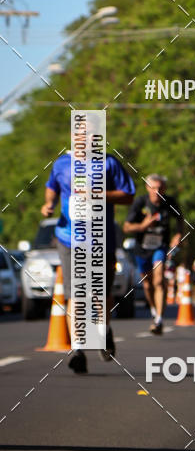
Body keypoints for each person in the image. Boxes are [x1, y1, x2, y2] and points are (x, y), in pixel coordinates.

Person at [42, 148, 135, 373]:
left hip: (101, 239)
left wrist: (97, 194)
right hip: (68, 238)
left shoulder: (109, 163)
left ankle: (103, 332)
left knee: (100, 293)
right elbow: (51, 188)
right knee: (75, 292)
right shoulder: (62, 163)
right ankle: (77, 349)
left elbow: (128, 195)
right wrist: (50, 204)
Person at [123, 174, 184, 334]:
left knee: (158, 280)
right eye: (154, 188)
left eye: (160, 188)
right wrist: (142, 226)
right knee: (148, 284)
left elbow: (180, 219)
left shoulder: (169, 202)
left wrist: (178, 235)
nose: (157, 192)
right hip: (142, 249)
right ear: (148, 188)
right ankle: (153, 311)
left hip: (160, 246)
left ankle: (159, 320)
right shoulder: (140, 203)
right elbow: (127, 227)